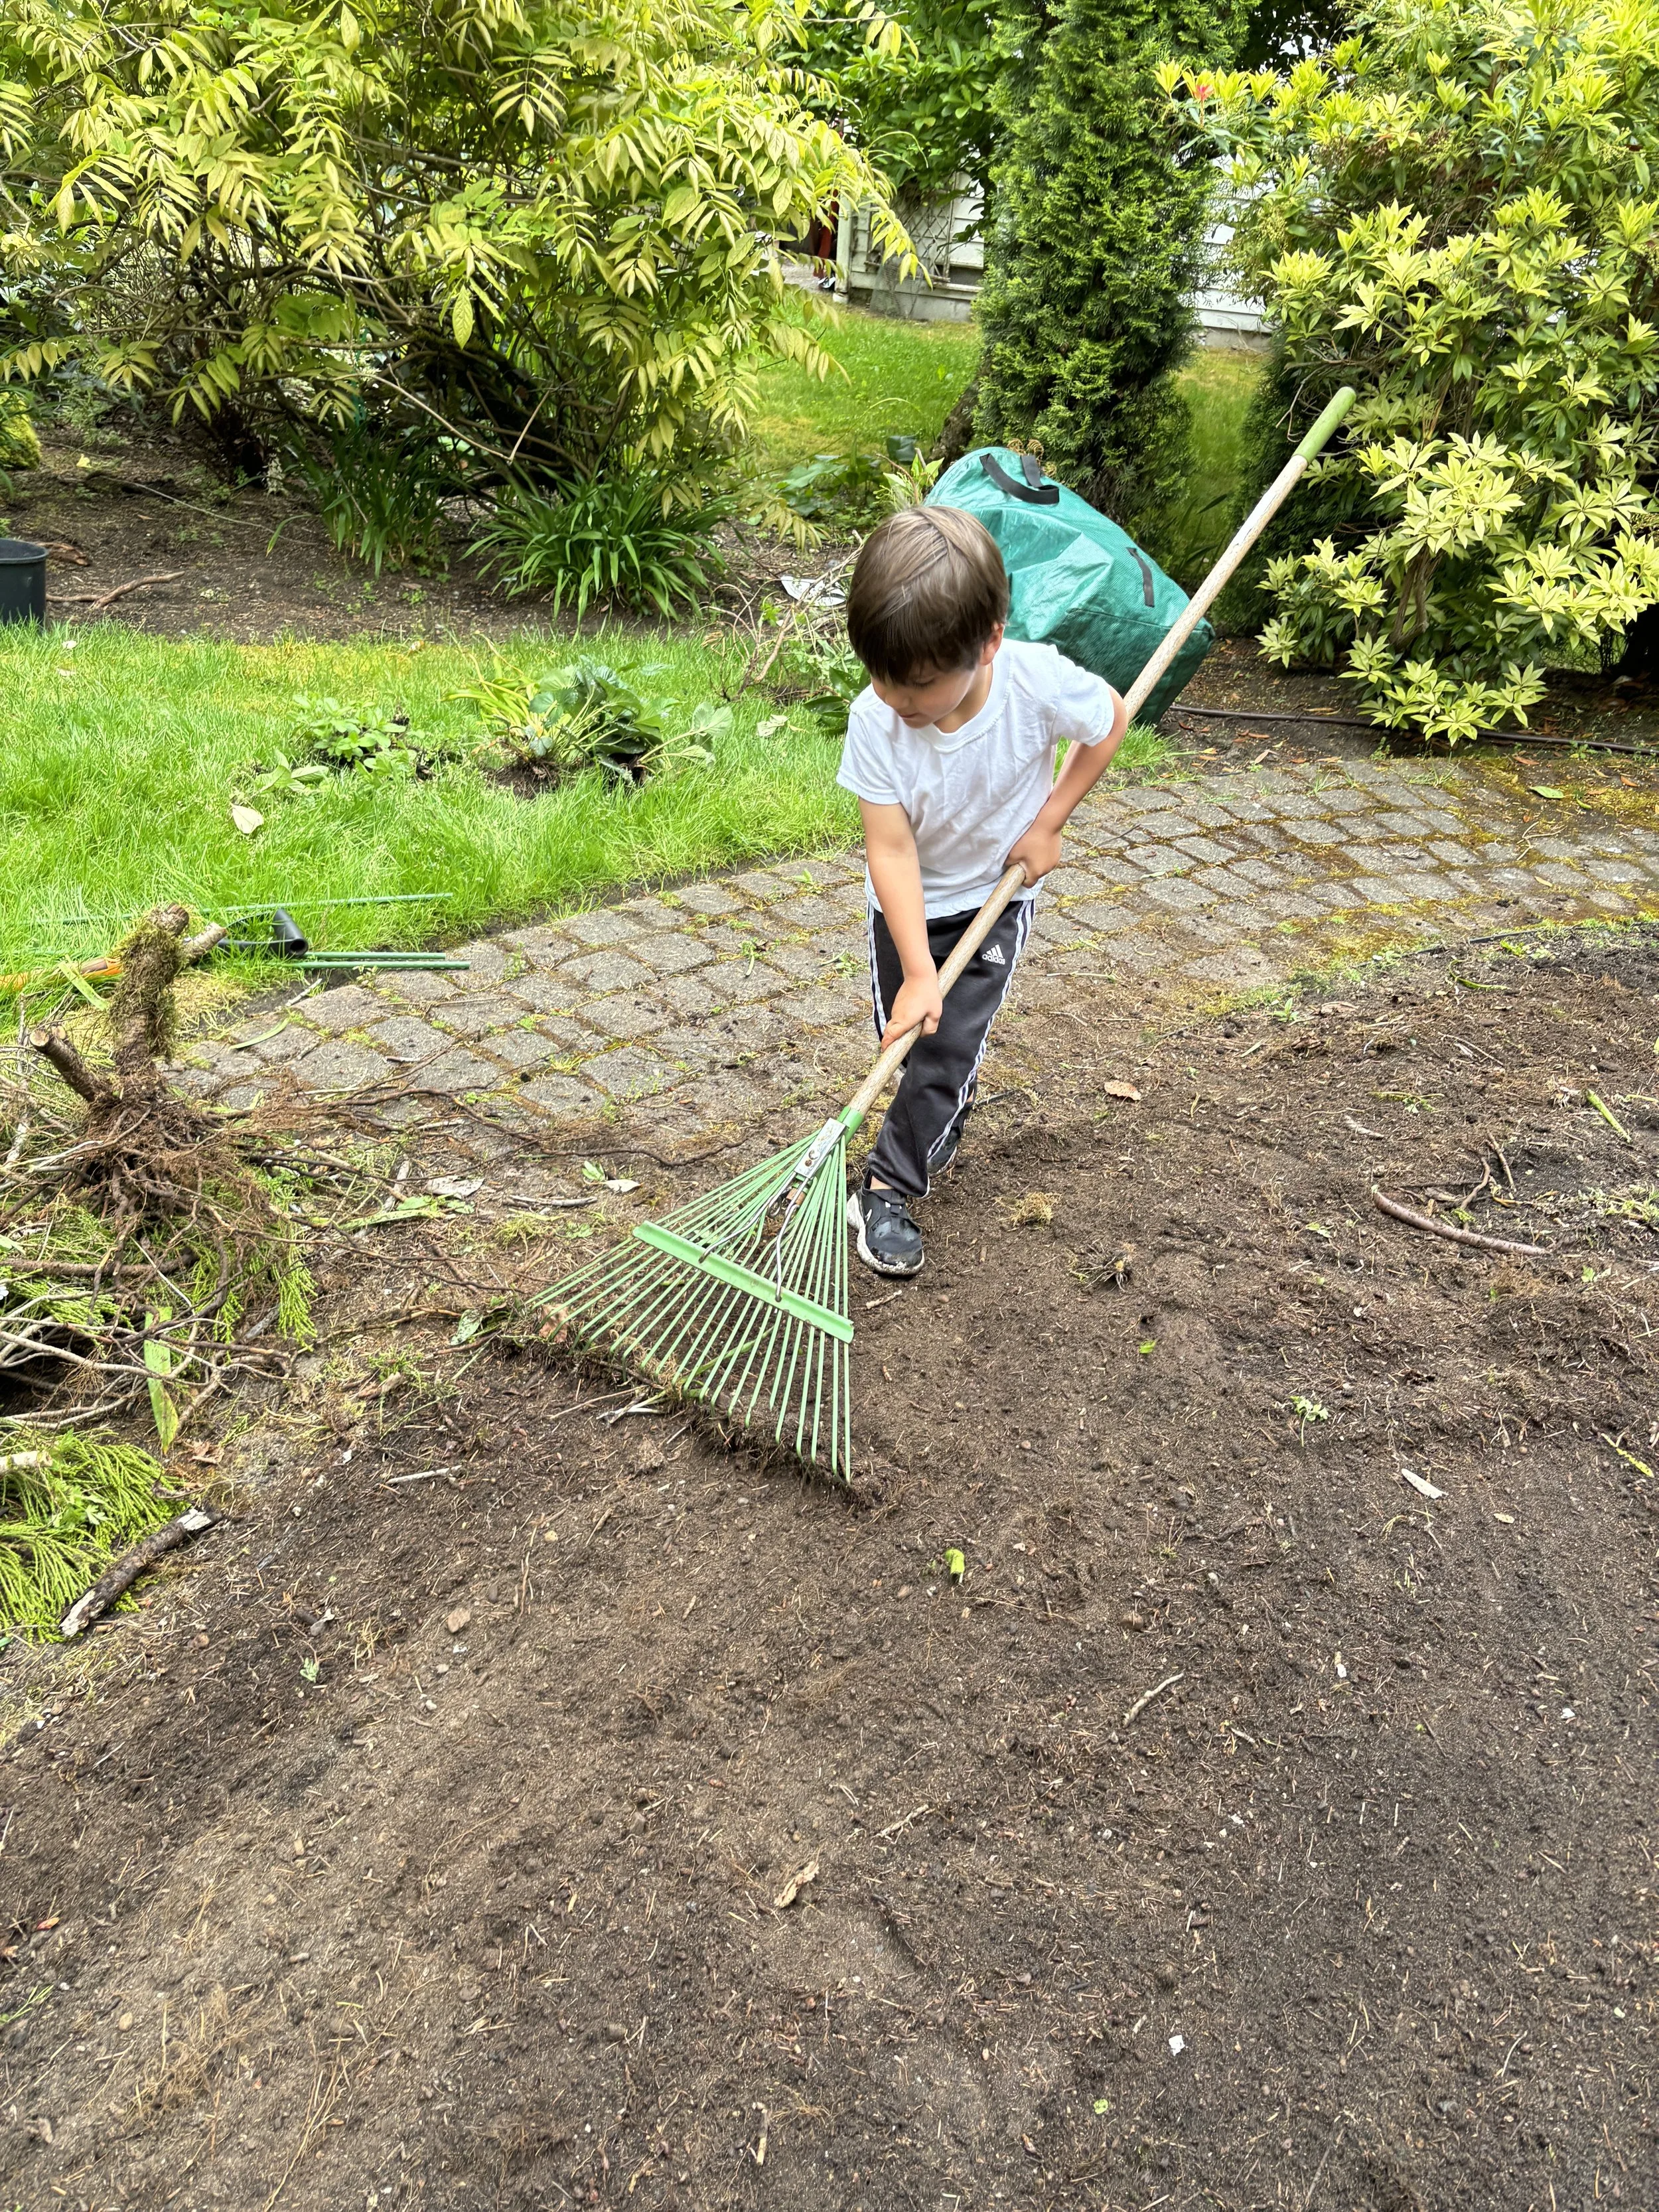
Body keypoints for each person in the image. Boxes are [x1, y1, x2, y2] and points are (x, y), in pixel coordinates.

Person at [835, 504, 1129, 1276]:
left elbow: (1109, 720)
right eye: (882, 677)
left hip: (993, 901)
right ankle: (935, 1109)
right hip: (905, 909)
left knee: (943, 1047)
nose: (901, 701)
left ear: (989, 639)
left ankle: (885, 1187)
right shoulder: (876, 721)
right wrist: (919, 968)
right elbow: (889, 849)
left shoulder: (1036, 684)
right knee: (909, 1041)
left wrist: (1049, 822)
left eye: (922, 685)